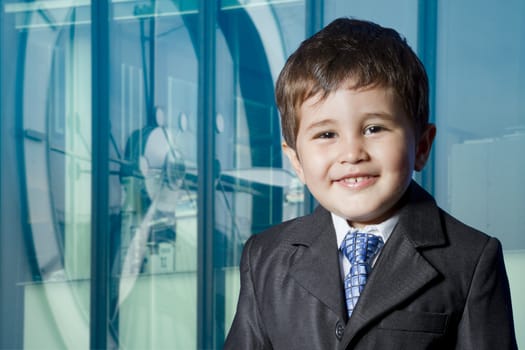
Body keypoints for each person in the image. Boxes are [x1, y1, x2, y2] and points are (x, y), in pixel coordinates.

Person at [224, 18, 517, 349]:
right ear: (296, 162)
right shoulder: (265, 256)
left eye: (374, 128)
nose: (351, 153)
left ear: (421, 146)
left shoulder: (471, 258)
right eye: (326, 134)